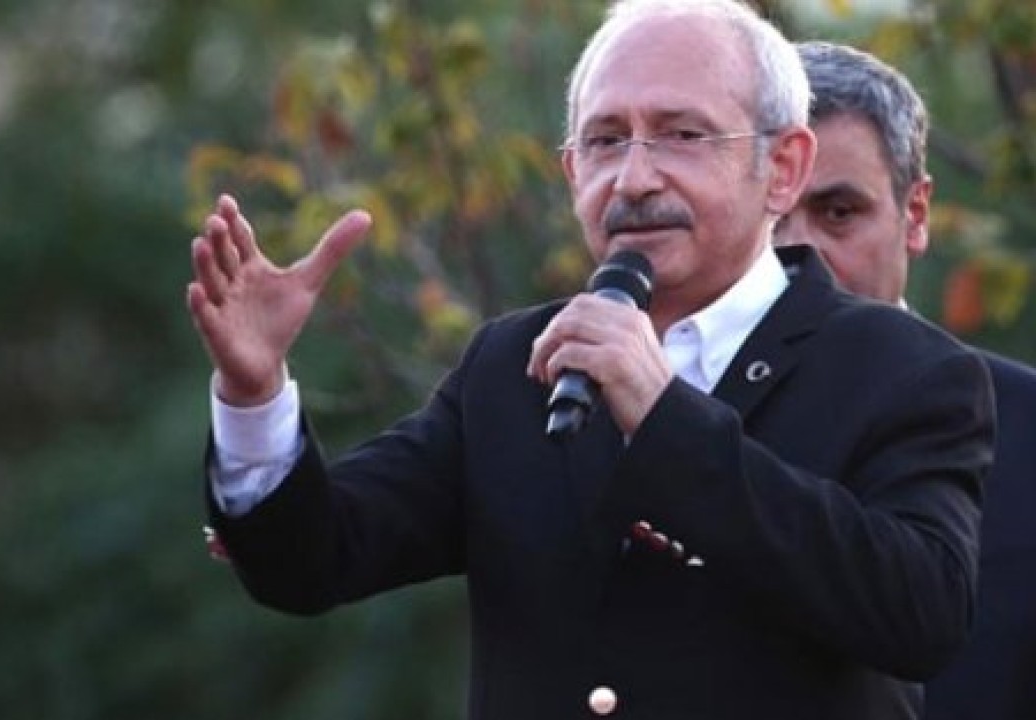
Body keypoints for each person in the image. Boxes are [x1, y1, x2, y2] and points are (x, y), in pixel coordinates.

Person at [187, 0, 995, 717]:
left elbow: (920, 615)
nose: (634, 179)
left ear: (781, 169)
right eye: (606, 141)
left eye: (682, 135)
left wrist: (664, 417)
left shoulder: (903, 368)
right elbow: (314, 560)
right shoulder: (514, 363)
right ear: (573, 172)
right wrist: (254, 393)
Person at [776, 40, 1036, 720]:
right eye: (770, 216)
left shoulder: (1030, 429)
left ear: (914, 214)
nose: (796, 253)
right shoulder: (659, 427)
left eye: (838, 212)